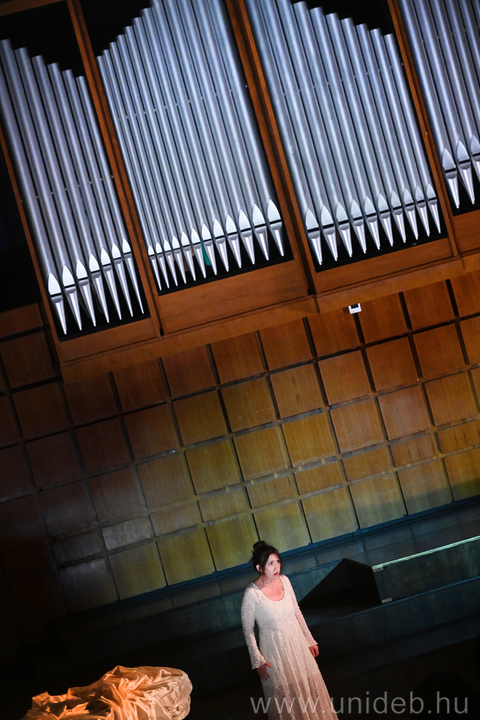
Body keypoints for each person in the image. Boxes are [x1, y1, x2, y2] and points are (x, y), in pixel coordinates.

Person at [241, 540, 338, 719]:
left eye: (277, 562)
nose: (276, 567)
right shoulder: (251, 594)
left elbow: (297, 612)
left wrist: (309, 639)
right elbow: (248, 630)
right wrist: (257, 659)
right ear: (259, 567)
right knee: (288, 698)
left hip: (297, 644)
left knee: (311, 690)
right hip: (275, 651)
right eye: (270, 564)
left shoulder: (284, 581)